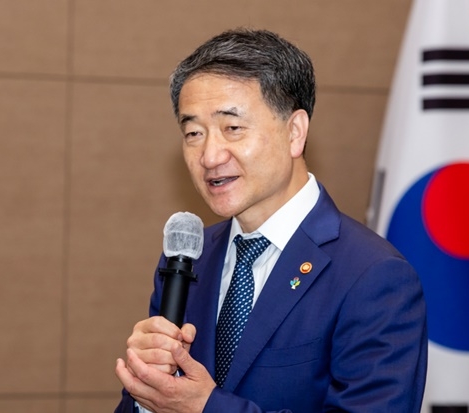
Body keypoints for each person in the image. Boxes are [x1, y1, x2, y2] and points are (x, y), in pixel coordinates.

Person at [114, 28, 427, 412]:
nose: (209, 156)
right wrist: (149, 394)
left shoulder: (374, 275)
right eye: (193, 132)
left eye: (232, 128)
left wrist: (206, 408)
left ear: (295, 132)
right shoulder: (189, 258)